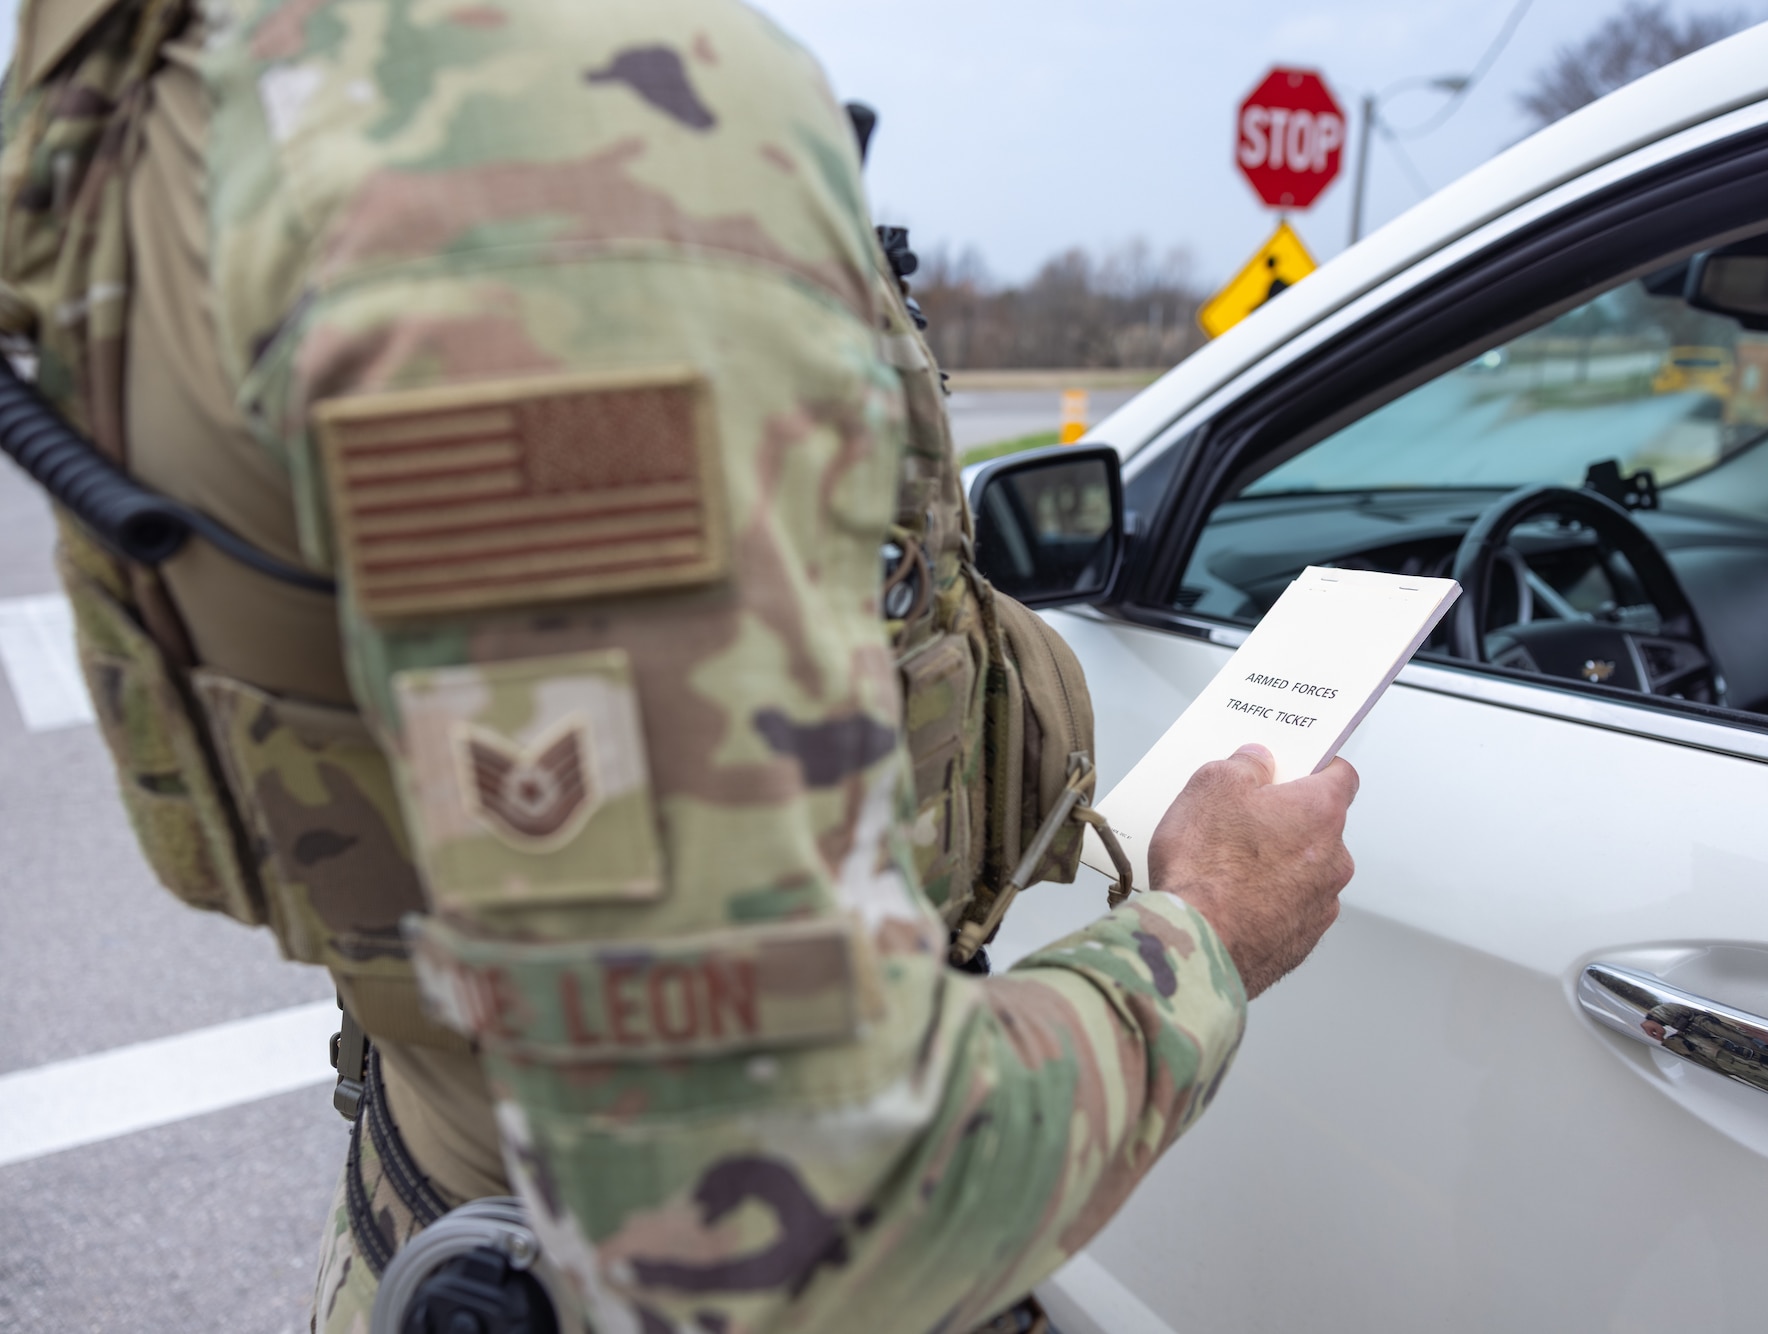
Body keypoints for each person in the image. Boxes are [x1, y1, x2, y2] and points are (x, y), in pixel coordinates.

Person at [0, 1, 1363, 1330]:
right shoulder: (557, 117)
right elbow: (790, 1210)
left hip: (438, 1192)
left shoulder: (193, 57)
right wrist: (1210, 927)